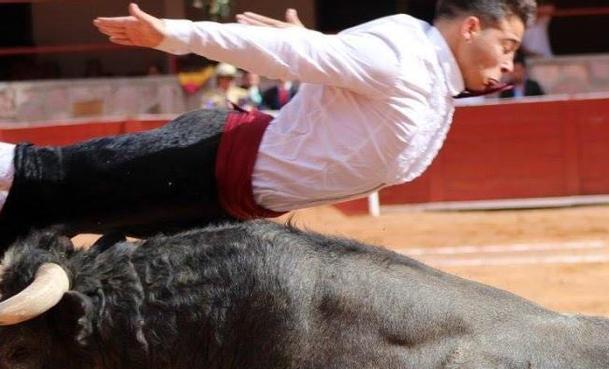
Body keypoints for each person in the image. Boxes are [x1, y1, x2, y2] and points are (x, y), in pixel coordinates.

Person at [0, 0, 534, 250]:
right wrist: (170, 33)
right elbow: (270, 48)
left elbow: (331, 73)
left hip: (227, 202)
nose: (509, 63)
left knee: (65, 218)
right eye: (506, 45)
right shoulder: (404, 57)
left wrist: (316, 49)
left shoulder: (424, 69)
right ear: (469, 27)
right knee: (44, 175)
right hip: (207, 161)